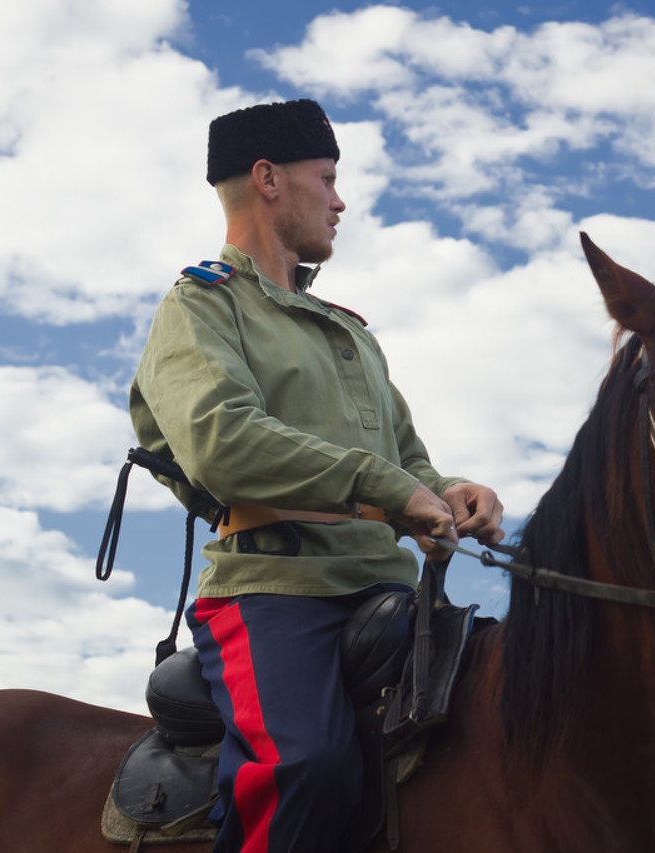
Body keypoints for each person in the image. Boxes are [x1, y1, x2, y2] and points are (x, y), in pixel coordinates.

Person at [129, 99, 504, 853]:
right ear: (268, 180)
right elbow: (221, 441)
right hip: (272, 592)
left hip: (386, 588)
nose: (340, 200)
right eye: (327, 179)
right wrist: (392, 487)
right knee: (306, 763)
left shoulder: (348, 334)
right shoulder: (200, 306)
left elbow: (407, 463)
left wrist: (452, 493)